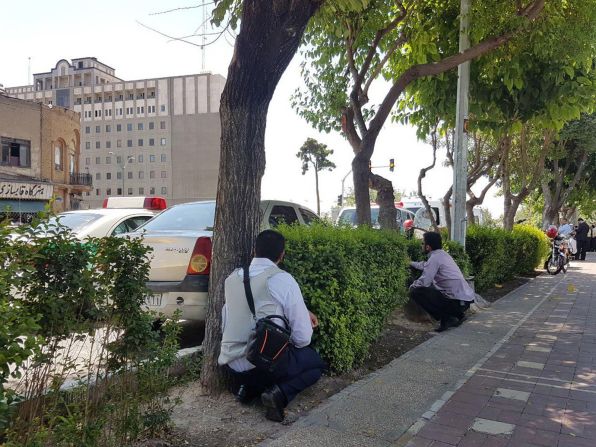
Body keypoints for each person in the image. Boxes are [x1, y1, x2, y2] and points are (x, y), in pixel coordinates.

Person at [218, 230, 325, 422]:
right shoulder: (282, 279)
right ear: (282, 254)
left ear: (254, 251)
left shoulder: (232, 278)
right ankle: (278, 394)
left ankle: (247, 390)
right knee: (314, 363)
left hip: (232, 367)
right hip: (262, 367)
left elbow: (232, 314)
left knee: (264, 361)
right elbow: (302, 338)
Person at [409, 232, 475, 332]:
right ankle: (458, 315)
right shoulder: (442, 255)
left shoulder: (435, 258)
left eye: (422, 243)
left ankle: (448, 318)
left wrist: (412, 286)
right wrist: (410, 263)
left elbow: (425, 281)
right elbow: (425, 265)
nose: (421, 245)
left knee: (416, 292)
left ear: (428, 247)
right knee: (433, 290)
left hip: (456, 302)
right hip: (464, 301)